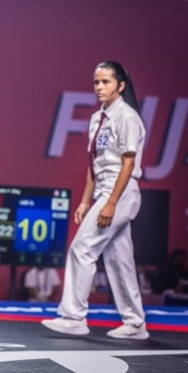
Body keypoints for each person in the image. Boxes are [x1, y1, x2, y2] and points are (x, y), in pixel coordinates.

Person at [42, 61, 149, 340]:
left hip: (120, 192)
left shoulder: (127, 117)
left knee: (82, 249)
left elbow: (128, 164)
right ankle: (135, 323)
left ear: (120, 86)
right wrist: (84, 202)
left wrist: (111, 203)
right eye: (96, 82)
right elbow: (94, 163)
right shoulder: (97, 118)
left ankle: (73, 317)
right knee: (119, 260)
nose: (99, 87)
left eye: (106, 82)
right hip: (104, 190)